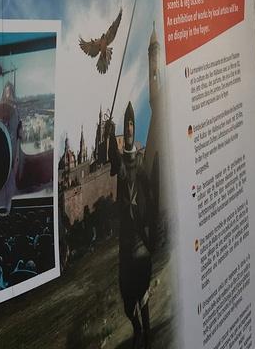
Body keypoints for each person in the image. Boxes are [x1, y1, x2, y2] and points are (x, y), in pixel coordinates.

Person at [107, 101, 154, 349]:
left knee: (143, 295)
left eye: (131, 125)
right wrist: (109, 135)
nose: (128, 129)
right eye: (126, 125)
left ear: (134, 129)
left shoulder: (140, 161)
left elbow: (149, 191)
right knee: (128, 301)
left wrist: (149, 223)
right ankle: (137, 328)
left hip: (139, 238)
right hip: (125, 242)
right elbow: (117, 165)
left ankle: (148, 336)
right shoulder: (122, 162)